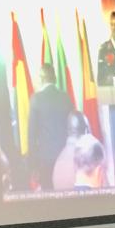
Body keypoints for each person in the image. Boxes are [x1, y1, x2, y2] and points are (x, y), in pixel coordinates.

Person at [27, 63, 73, 191]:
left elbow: (31, 135)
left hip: (45, 160)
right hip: (65, 157)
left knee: (49, 194)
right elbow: (72, 128)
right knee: (66, 193)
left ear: (41, 79)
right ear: (55, 78)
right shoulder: (66, 98)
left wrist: (32, 165)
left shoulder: (36, 99)